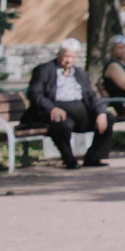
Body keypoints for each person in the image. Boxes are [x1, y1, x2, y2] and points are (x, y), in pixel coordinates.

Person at [25, 39, 111, 169]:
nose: (69, 60)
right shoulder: (44, 70)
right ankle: (69, 159)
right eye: (66, 56)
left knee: (108, 118)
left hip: (80, 113)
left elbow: (91, 95)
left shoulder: (80, 73)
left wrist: (101, 112)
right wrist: (52, 108)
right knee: (62, 123)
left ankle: (93, 157)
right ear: (59, 54)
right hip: (56, 110)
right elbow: (34, 94)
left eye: (72, 57)